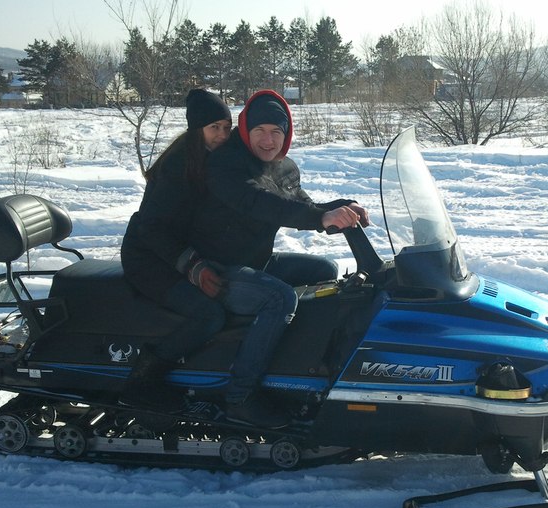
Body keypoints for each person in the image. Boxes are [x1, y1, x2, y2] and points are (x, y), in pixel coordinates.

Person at [191, 89, 369, 427]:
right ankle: (240, 395)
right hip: (217, 268)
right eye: (259, 130)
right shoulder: (226, 163)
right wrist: (321, 219)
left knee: (323, 270)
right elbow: (259, 203)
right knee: (280, 298)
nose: (268, 140)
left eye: (277, 131)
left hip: (255, 260)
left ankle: (295, 366)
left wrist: (342, 208)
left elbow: (299, 203)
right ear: (245, 130)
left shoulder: (282, 166)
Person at [118, 88, 233, 413]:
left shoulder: (209, 157)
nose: (222, 135)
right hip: (149, 259)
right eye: (215, 128)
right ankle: (142, 380)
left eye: (227, 127)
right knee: (209, 314)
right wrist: (193, 267)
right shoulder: (178, 167)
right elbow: (151, 229)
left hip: (176, 253)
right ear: (198, 130)